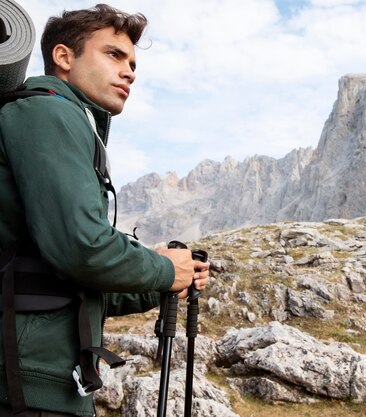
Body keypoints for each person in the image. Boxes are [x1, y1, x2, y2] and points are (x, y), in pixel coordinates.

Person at [0, 4, 209, 416]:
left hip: (48, 384)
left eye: (132, 63)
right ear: (64, 57)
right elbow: (81, 247)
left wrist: (164, 283)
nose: (129, 71)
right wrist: (165, 268)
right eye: (113, 55)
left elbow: (73, 281)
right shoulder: (47, 112)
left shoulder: (71, 120)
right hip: (26, 388)